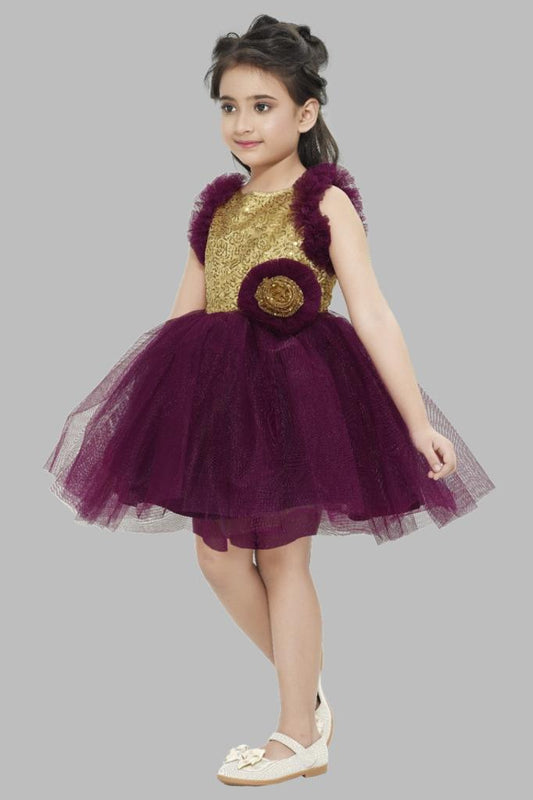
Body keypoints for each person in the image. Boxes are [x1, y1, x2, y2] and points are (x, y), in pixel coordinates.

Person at [42, 14, 495, 786]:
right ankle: (307, 695)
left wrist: (416, 422)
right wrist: (151, 409)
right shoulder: (218, 206)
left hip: (296, 398)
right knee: (216, 559)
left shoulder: (325, 200)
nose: (242, 123)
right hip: (215, 400)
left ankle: (297, 734)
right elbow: (184, 312)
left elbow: (372, 311)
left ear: (305, 113)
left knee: (283, 558)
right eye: (228, 106)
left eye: (262, 105)